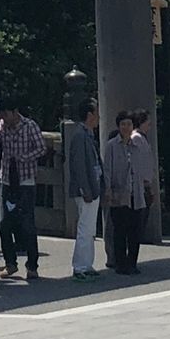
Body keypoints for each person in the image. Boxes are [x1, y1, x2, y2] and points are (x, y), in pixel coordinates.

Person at [0, 100, 46, 280]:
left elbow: (41, 148)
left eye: (6, 114)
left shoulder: (29, 126)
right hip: (7, 179)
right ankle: (10, 263)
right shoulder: (2, 126)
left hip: (25, 180)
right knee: (3, 224)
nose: (5, 118)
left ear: (15, 111)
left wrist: (24, 158)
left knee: (27, 224)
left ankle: (32, 265)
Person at [102, 111, 155, 275]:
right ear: (118, 126)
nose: (126, 127)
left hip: (136, 192)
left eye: (129, 124)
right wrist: (108, 189)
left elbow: (143, 166)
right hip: (119, 192)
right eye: (123, 124)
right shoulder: (111, 145)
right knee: (119, 229)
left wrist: (147, 184)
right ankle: (120, 263)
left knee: (135, 230)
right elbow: (108, 169)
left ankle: (132, 262)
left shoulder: (137, 145)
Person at [67, 98, 103, 281]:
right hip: (86, 189)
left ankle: (87, 264)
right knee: (84, 228)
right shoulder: (80, 135)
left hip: (92, 186)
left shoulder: (87, 134)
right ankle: (79, 266)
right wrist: (84, 189)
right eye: (96, 112)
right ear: (89, 115)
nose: (98, 117)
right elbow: (79, 165)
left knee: (89, 229)